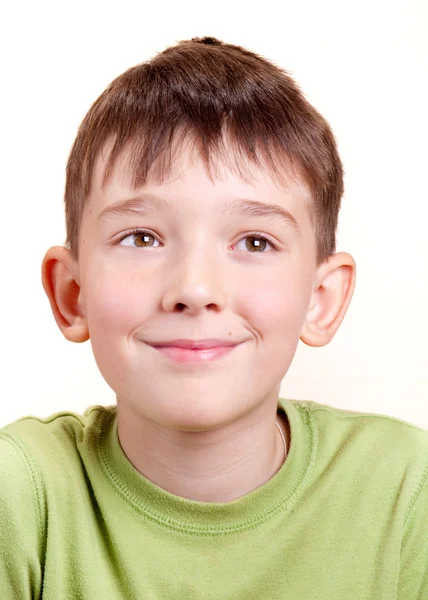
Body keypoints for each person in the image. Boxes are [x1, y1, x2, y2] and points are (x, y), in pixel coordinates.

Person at [0, 36, 426, 599]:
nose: (195, 290)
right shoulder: (23, 496)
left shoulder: (407, 493)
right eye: (142, 237)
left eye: (254, 242)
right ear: (72, 293)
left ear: (321, 299)